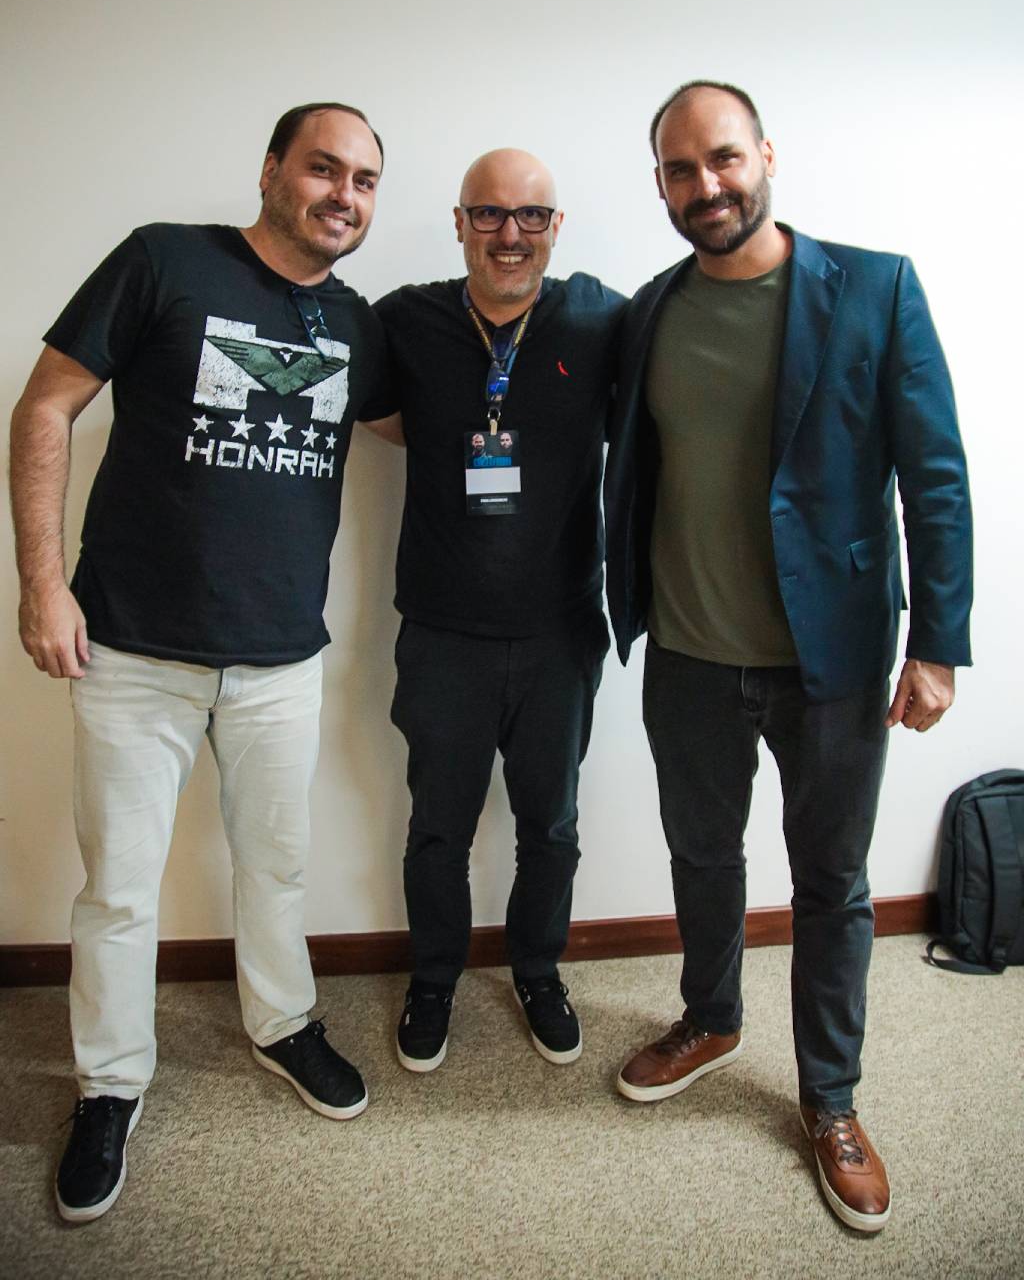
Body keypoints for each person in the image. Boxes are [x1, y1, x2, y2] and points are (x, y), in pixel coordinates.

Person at [9, 102, 394, 1223]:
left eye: (366, 180)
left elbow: (419, 422)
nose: (344, 194)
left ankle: (283, 1023)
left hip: (281, 658)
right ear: (272, 170)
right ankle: (109, 1084)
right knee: (119, 889)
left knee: (276, 865)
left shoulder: (358, 325)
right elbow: (45, 405)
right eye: (324, 167)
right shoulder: (163, 258)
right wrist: (41, 584)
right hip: (130, 647)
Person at [603, 81, 972, 1233]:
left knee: (833, 883)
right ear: (657, 182)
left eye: (720, 158)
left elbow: (936, 472)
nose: (704, 186)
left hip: (834, 660)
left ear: (764, 152)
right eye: (677, 170)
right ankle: (710, 1017)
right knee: (701, 856)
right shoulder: (647, 312)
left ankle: (831, 1099)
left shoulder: (872, 286)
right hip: (691, 658)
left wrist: (939, 646)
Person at [369, 150, 625, 1071]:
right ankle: (433, 978)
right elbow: (373, 414)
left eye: (530, 216)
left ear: (556, 227)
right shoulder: (405, 320)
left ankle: (538, 968)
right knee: (437, 824)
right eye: (488, 213)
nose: (509, 234)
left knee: (549, 824)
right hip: (441, 631)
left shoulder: (602, 319)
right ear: (458, 220)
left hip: (560, 633)